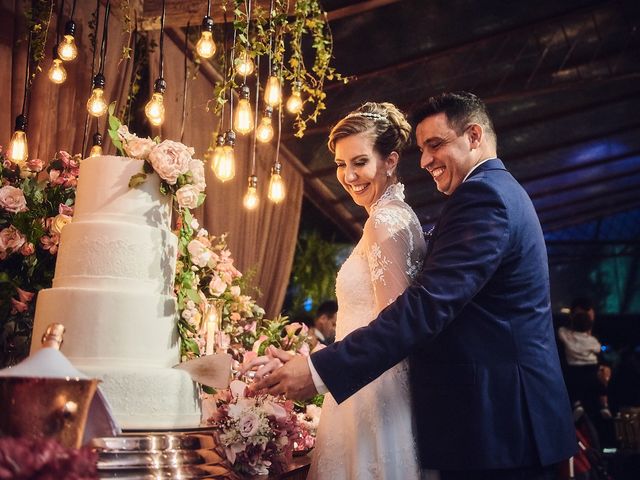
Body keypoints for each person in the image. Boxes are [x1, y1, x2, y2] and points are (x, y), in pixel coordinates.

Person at [250, 92, 577, 480]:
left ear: (474, 136)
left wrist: (318, 370)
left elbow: (425, 307)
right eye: (421, 149)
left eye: (435, 145)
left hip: (501, 424)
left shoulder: (484, 196)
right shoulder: (489, 193)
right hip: (494, 424)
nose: (424, 161)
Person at [250, 102, 429, 479]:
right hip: (358, 386)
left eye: (360, 162)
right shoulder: (386, 217)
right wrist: (314, 357)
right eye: (340, 164)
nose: (348, 176)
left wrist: (319, 369)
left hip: (373, 400)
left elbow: (396, 331)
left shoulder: (387, 220)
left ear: (391, 160)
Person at [558, 298, 611, 420]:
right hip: (576, 387)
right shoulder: (564, 336)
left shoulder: (594, 337)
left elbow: (603, 360)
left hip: (590, 394)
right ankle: (603, 406)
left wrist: (606, 369)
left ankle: (601, 406)